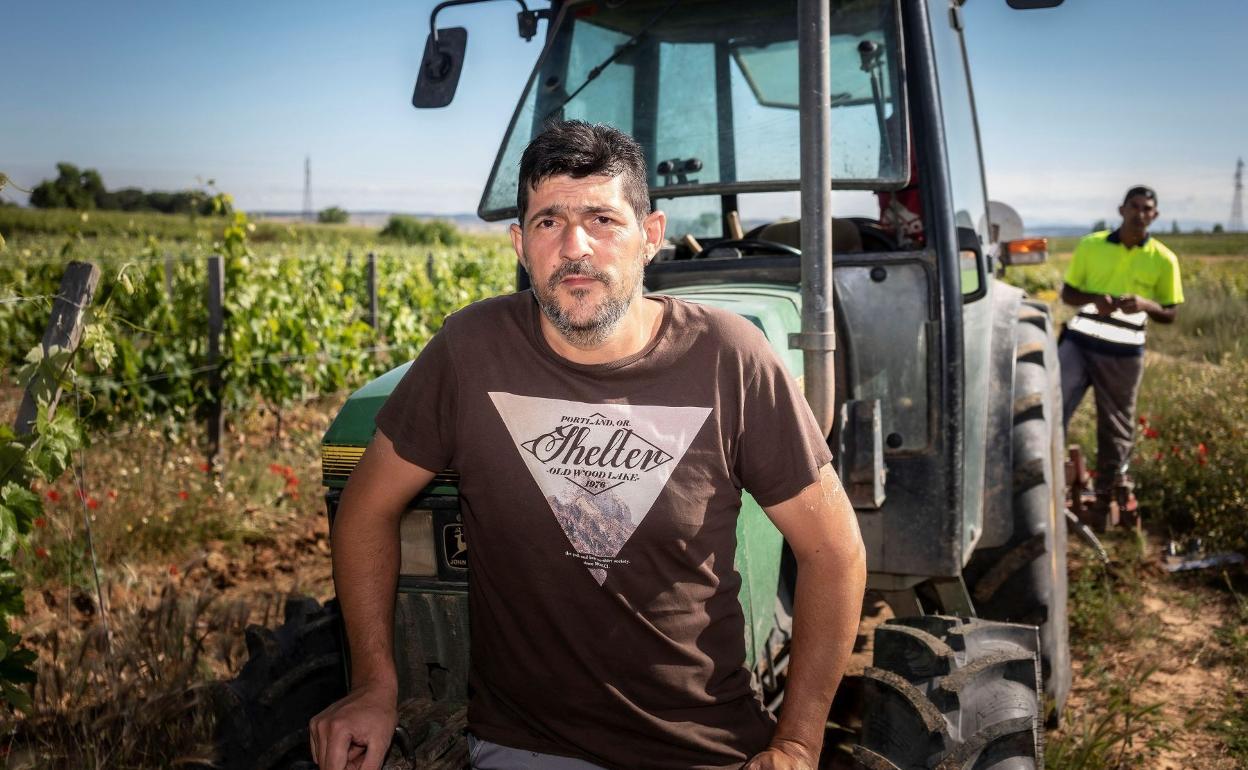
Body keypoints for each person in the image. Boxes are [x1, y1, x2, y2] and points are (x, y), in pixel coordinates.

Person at [309, 120, 867, 770]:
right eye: (548, 222)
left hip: (705, 749)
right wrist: (374, 684)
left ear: (650, 236)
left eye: (602, 219)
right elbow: (366, 509)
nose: (575, 247)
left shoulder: (730, 358)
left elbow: (833, 547)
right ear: (520, 244)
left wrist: (798, 742)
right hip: (524, 748)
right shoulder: (468, 353)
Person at [1059, 185, 1183, 517]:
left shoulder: (1164, 259)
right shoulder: (1091, 245)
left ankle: (1103, 499)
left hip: (1124, 352)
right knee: (1051, 407)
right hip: (1080, 342)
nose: (1140, 214)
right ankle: (1044, 484)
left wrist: (1144, 303)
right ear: (1121, 210)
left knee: (1116, 428)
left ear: (1154, 216)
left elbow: (1170, 313)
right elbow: (1068, 294)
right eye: (1134, 207)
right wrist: (1093, 300)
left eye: (1147, 209)